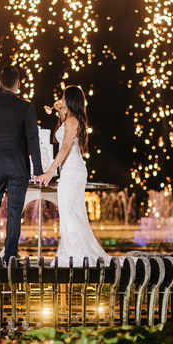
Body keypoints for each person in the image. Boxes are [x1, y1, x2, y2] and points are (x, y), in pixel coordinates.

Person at [38, 86, 111, 267]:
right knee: (71, 212)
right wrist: (58, 109)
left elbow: (64, 147)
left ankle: (75, 255)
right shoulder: (71, 119)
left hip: (71, 170)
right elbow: (61, 137)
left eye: (64, 97)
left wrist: (49, 171)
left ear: (70, 100)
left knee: (70, 212)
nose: (61, 99)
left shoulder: (72, 121)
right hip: (72, 170)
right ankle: (74, 253)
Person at [0, 65, 43, 264]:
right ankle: (10, 256)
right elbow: (33, 138)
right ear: (19, 84)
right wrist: (38, 170)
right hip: (18, 166)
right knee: (14, 212)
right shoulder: (26, 106)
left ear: (0, 83)